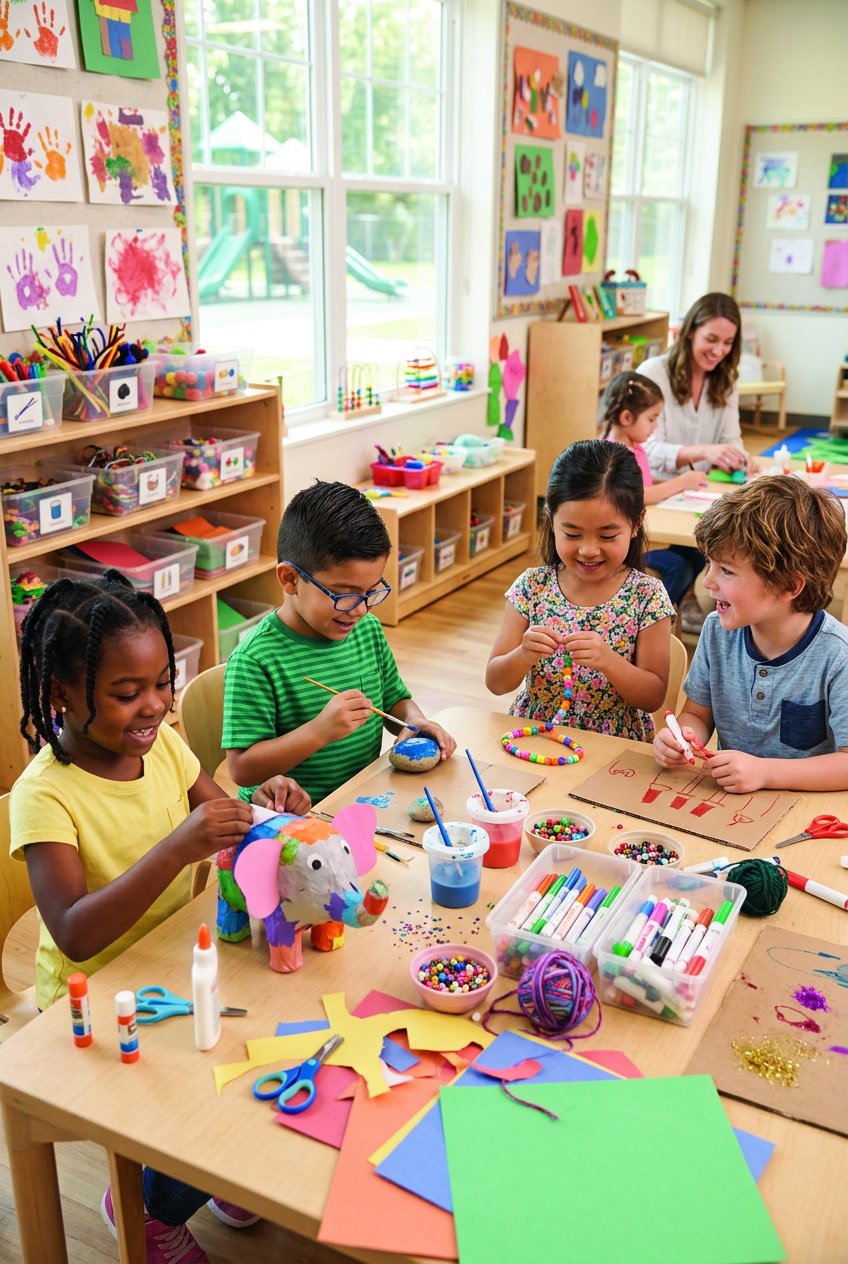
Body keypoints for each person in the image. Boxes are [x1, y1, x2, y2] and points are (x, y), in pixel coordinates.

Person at [9, 571, 311, 1264]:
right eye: (126, 693)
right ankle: (151, 1204)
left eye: (161, 686)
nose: (152, 708)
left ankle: (213, 1171)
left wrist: (265, 809)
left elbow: (222, 822)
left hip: (177, 956)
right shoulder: (45, 796)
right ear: (61, 693)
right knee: (217, 1080)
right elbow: (75, 931)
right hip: (93, 999)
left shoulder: (163, 746)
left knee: (278, 1027)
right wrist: (176, 849)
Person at [223, 480, 455, 804]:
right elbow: (242, 769)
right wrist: (318, 732)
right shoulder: (257, 660)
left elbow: (394, 701)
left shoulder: (367, 630)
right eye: (345, 594)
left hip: (360, 801)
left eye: (370, 591)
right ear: (291, 579)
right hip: (292, 819)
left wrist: (414, 721)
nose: (360, 609)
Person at [653, 476, 848, 793]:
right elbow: (697, 716)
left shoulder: (838, 656)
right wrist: (680, 738)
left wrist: (766, 773)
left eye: (726, 571)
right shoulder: (717, 630)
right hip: (732, 811)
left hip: (804, 819)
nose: (708, 582)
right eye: (710, 565)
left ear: (789, 586)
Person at [485, 439, 674, 743]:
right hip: (537, 738)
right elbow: (495, 681)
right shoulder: (532, 587)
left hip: (615, 748)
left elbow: (653, 696)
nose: (588, 549)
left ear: (637, 523)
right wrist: (523, 654)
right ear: (550, 519)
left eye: (608, 535)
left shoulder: (647, 596)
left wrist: (609, 661)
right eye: (572, 533)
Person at [640, 292, 759, 632]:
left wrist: (740, 457)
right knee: (691, 553)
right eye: (711, 339)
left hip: (702, 493)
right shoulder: (654, 373)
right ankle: (671, 604)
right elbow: (646, 448)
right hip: (661, 491)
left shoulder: (726, 379)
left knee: (729, 537)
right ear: (689, 331)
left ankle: (686, 596)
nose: (718, 350)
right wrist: (703, 452)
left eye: (727, 342)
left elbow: (730, 438)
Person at [601, 370, 709, 607]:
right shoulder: (616, 454)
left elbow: (645, 482)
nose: (655, 425)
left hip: (646, 535)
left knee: (697, 553)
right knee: (678, 568)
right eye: (651, 419)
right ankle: (652, 617)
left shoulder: (634, 446)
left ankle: (677, 610)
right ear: (627, 417)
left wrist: (681, 487)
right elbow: (638, 495)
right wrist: (681, 482)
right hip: (629, 546)